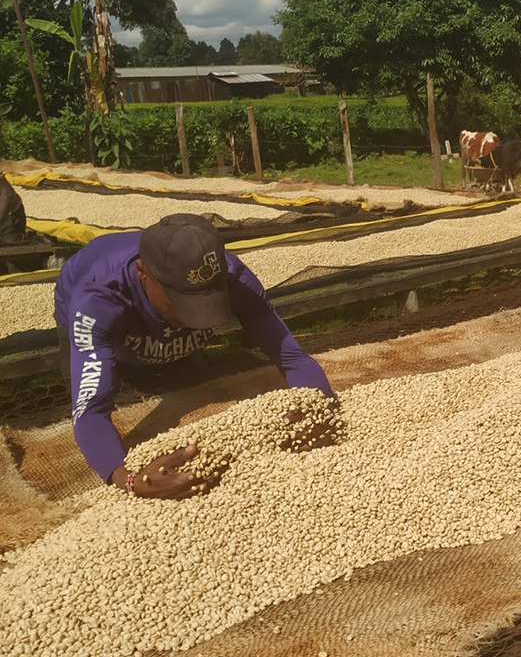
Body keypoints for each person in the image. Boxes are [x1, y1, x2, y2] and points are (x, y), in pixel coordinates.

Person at [54, 213, 334, 500]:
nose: (192, 319)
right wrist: (129, 479)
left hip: (154, 323)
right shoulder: (98, 299)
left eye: (208, 303)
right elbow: (90, 410)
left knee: (182, 381)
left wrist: (318, 411)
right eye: (181, 304)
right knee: (106, 386)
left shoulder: (233, 276)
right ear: (142, 272)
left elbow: (292, 357)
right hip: (89, 299)